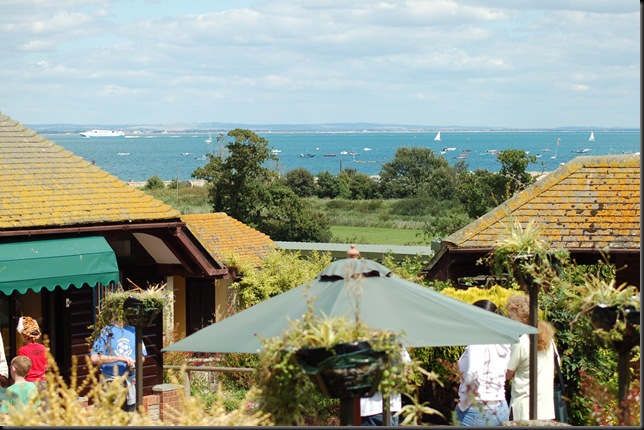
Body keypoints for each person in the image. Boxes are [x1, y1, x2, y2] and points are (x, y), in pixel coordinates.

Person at [455, 299, 510, 426]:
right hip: (500, 406)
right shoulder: (503, 342)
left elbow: (473, 377)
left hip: (477, 409)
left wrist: (462, 404)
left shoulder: (478, 341)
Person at [505, 294, 556, 421]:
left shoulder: (521, 342)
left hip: (523, 409)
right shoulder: (550, 341)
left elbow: (507, 375)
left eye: (511, 316)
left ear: (520, 318)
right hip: (546, 409)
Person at [90, 318, 146, 412]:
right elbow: (94, 358)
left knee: (130, 418)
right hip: (110, 382)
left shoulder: (134, 331)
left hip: (130, 382)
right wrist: (119, 358)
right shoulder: (105, 332)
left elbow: (142, 357)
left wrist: (133, 361)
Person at [360, 348, 412, 426]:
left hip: (393, 409)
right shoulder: (365, 343)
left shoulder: (396, 343)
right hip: (371, 410)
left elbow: (408, 370)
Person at [16, 317, 48, 391]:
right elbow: (47, 366)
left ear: (24, 335)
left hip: (29, 383)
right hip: (43, 383)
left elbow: (22, 369)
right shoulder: (43, 348)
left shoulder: (22, 350)